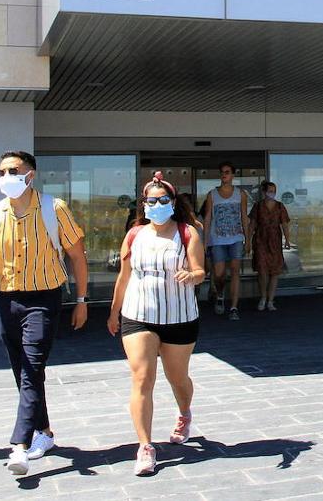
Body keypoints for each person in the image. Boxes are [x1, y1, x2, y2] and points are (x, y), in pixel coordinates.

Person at [0, 150, 89, 477]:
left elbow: (77, 255)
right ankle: (44, 433)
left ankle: (19, 444)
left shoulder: (54, 208)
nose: (6, 177)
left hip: (44, 298)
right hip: (8, 300)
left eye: (13, 170)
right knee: (23, 369)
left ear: (30, 175)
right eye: (1, 172)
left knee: (33, 364)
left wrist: (81, 299)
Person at [107, 172, 205, 476]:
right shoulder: (134, 235)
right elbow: (124, 276)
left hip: (179, 316)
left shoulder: (189, 232)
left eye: (164, 199)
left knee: (178, 379)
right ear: (144, 204)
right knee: (142, 377)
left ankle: (184, 413)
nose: (158, 204)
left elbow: (200, 270)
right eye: (152, 200)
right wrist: (114, 312)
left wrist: (192, 276)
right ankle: (146, 446)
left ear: (173, 202)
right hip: (138, 315)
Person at [202, 163, 250, 320]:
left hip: (236, 237)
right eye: (222, 172)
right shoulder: (212, 194)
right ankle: (220, 294)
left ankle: (234, 307)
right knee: (219, 273)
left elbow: (244, 216)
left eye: (227, 172)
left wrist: (247, 238)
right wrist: (205, 240)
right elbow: (208, 217)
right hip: (217, 239)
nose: (224, 175)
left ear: (233, 175)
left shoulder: (240, 194)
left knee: (236, 271)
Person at [247, 180, 290, 311]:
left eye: (274, 191)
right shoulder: (258, 206)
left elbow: (284, 224)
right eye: (270, 191)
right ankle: (263, 298)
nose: (272, 193)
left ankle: (271, 300)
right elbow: (252, 225)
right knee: (262, 270)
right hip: (260, 240)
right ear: (264, 192)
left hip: (275, 241)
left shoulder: (280, 206)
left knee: (275, 271)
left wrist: (287, 240)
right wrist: (247, 240)